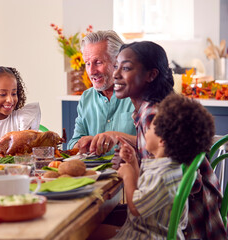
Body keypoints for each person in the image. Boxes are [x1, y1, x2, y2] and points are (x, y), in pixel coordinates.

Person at [95, 41, 226, 239]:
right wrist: (132, 160)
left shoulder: (153, 115)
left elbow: (166, 186)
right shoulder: (156, 109)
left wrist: (130, 173)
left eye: (126, 68)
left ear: (151, 75)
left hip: (189, 225)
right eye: (116, 66)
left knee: (89, 225)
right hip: (192, 215)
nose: (116, 74)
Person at [112, 93, 215, 239]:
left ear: (162, 141)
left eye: (150, 129)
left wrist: (128, 176)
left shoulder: (162, 176)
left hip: (145, 235)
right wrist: (133, 163)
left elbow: (136, 208)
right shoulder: (171, 168)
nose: (145, 132)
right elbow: (141, 191)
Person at [67, 30, 136, 155]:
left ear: (118, 61)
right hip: (95, 173)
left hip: (133, 171)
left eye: (98, 62)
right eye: (87, 63)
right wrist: (83, 145)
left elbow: (157, 144)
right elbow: (73, 143)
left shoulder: (139, 94)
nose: (91, 71)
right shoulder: (86, 97)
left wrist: (117, 137)